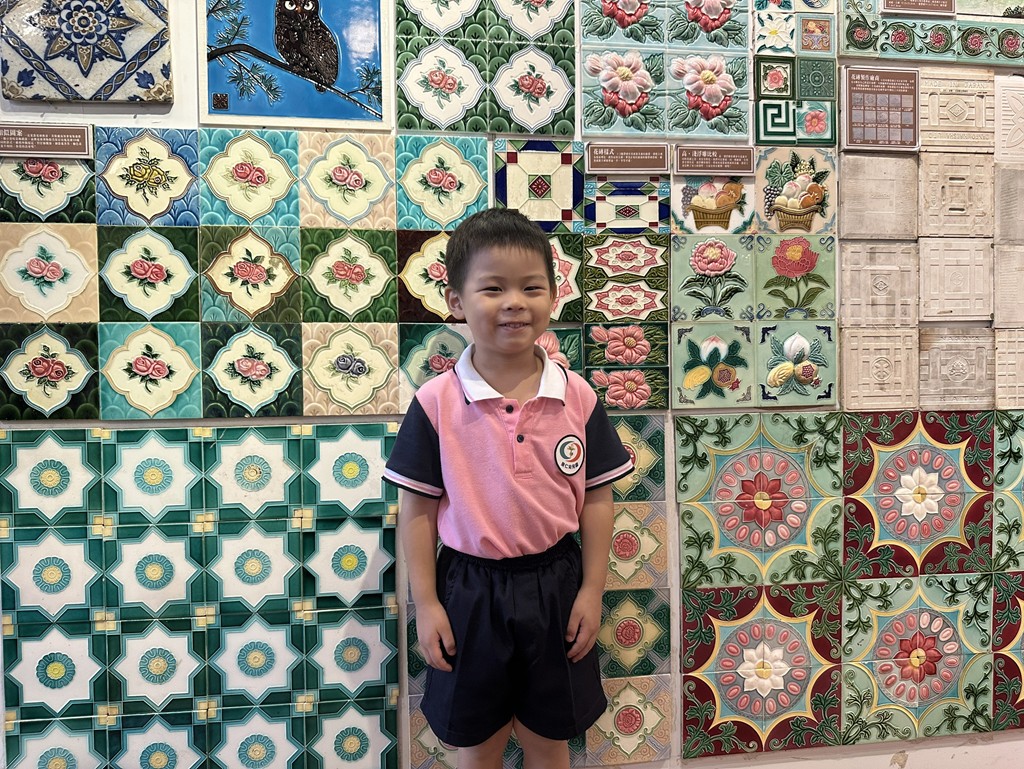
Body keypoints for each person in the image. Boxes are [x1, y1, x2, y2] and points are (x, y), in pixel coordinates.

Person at [384, 208, 633, 769]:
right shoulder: (436, 403)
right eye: (493, 288)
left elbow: (597, 499)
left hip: (557, 583)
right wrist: (427, 604)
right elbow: (416, 509)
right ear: (456, 301)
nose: (514, 302)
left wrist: (592, 590)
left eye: (531, 287)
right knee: (478, 742)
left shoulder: (578, 396)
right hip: (469, 590)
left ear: (554, 297)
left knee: (549, 738)